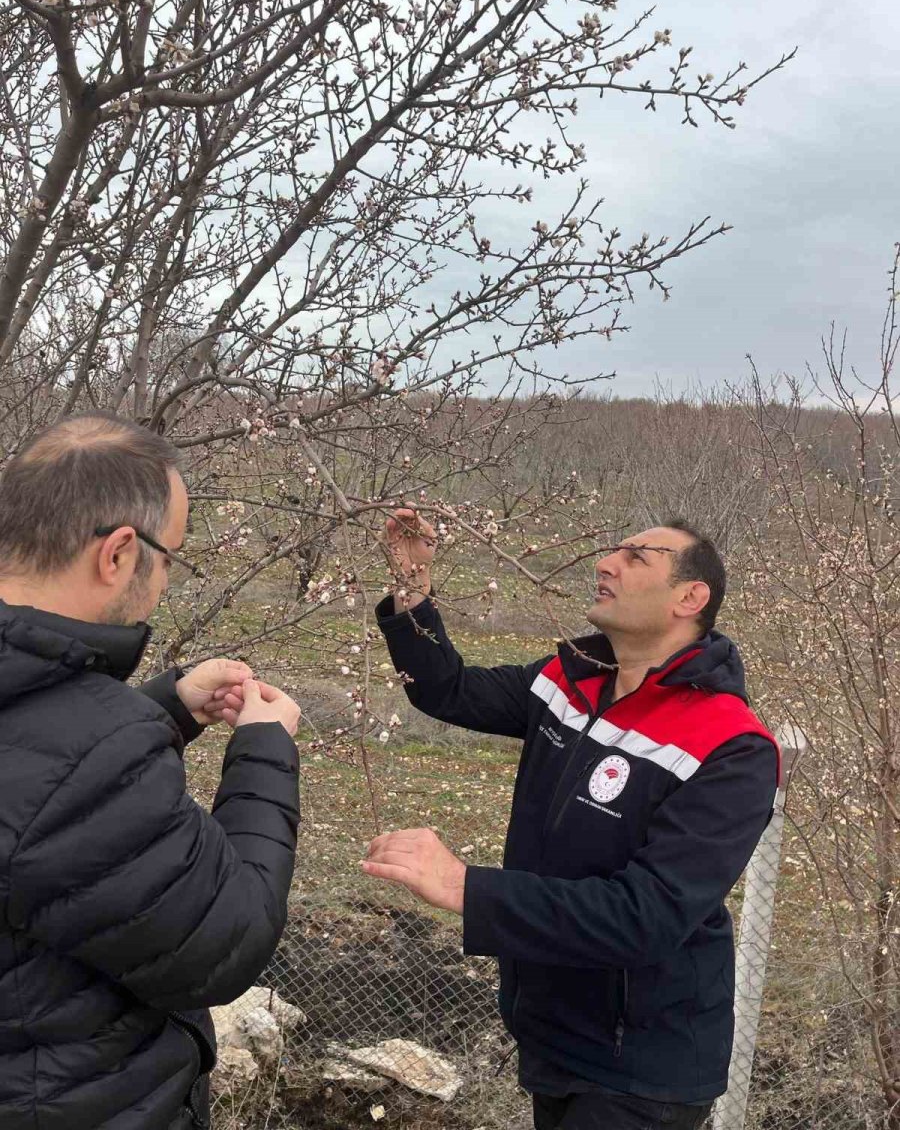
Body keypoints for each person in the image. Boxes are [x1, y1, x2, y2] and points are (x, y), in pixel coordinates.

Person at [364, 510, 779, 1130]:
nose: (605, 563)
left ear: (690, 598)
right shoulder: (570, 680)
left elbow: (648, 916)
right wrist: (414, 587)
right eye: (613, 550)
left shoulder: (730, 745)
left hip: (642, 1063)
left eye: (637, 557)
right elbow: (445, 689)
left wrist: (466, 887)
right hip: (552, 1029)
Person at [0, 414, 301, 1130]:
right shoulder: (90, 742)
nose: (165, 579)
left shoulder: (61, 722)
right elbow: (228, 939)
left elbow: (37, 788)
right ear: (119, 553)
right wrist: (264, 749)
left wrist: (164, 710)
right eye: (170, 557)